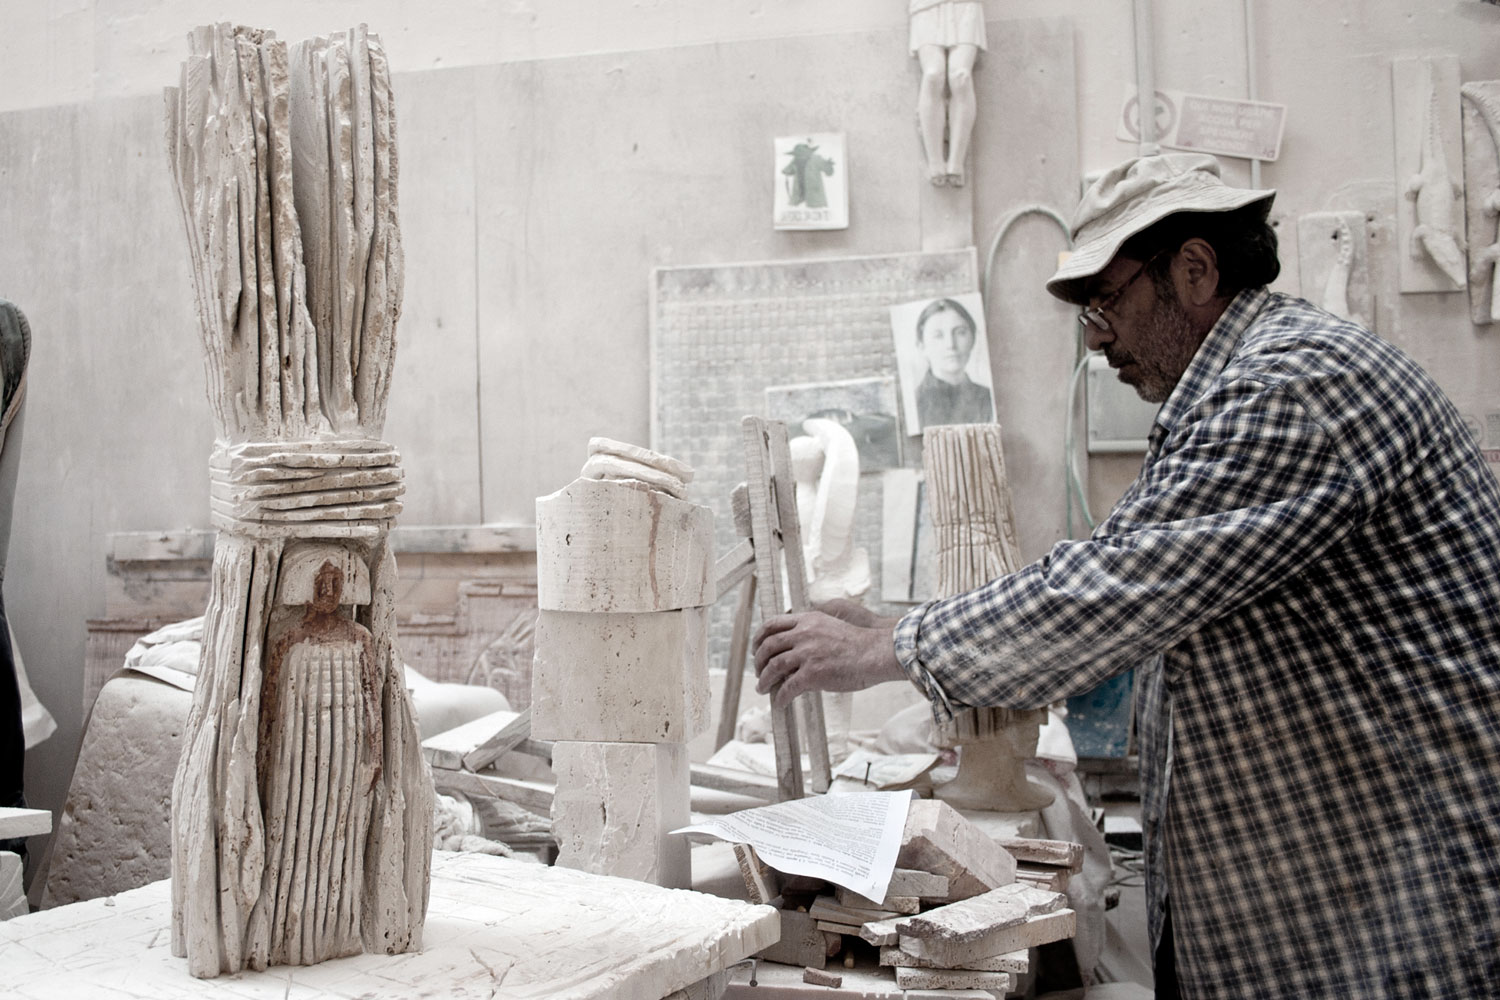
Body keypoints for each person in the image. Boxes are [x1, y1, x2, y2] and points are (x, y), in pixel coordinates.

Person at [753, 153, 1500, 998]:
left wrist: (881, 652)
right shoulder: (1228, 394)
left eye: (1106, 303)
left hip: (1392, 928)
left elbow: (1109, 595)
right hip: (1329, 907)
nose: (1097, 337)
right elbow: (1123, 579)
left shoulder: (1293, 386)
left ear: (1193, 269)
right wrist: (890, 626)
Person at [909, 0, 985, 186]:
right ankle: (934, 160)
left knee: (961, 76)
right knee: (933, 75)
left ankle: (956, 161)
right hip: (927, 6)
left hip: (965, 6)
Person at [913, 297, 993, 429]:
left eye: (960, 333)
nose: (951, 345)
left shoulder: (989, 398)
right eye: (938, 336)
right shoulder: (915, 405)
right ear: (922, 346)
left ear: (973, 339)